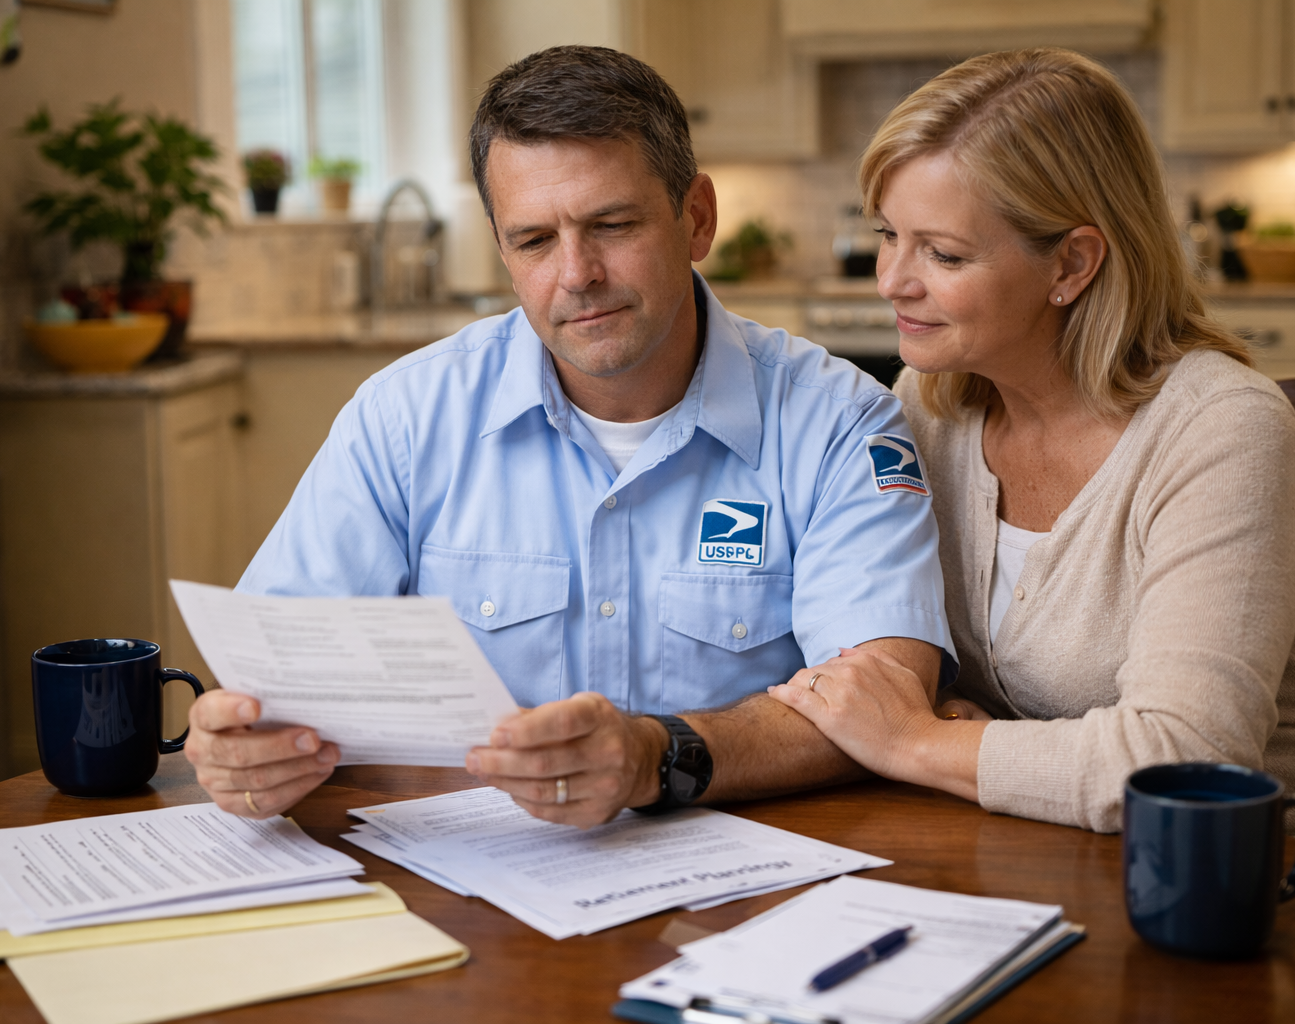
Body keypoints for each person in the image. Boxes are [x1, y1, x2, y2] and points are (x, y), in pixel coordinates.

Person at [185, 46, 955, 827]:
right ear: (501, 249)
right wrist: (245, 743)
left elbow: (888, 697)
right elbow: (277, 671)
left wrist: (659, 756)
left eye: (611, 225)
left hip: (751, 896)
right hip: (463, 883)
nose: (576, 273)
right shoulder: (404, 418)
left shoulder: (839, 423)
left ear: (696, 218)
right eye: (534, 241)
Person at [769, 48, 1295, 900]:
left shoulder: (1222, 431)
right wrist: (973, 734)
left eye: (943, 254)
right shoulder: (933, 405)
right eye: (888, 234)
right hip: (1103, 865)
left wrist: (915, 742)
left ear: (1073, 265)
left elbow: (1185, 761)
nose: (891, 280)